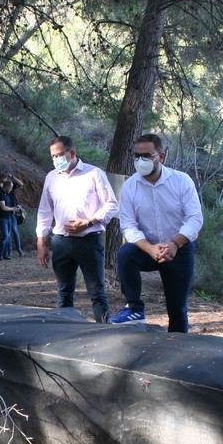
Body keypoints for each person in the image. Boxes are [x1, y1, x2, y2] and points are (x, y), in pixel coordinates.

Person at [111, 134, 204, 331]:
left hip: (179, 249)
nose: (140, 161)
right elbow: (128, 225)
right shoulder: (130, 186)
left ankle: (178, 349)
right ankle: (134, 308)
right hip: (147, 248)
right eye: (136, 156)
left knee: (177, 309)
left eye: (146, 156)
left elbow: (195, 218)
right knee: (125, 253)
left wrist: (175, 244)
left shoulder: (181, 181)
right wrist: (150, 248)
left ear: (160, 157)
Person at [36, 135, 119, 323]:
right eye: (52, 157)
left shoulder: (94, 174)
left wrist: (89, 222)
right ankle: (65, 334)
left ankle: (105, 333)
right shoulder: (51, 177)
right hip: (60, 242)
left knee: (96, 291)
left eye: (59, 155)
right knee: (64, 291)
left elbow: (112, 205)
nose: (56, 160)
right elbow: (45, 211)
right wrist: (41, 241)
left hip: (89, 240)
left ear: (72, 153)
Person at [0, 174, 25, 257]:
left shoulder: (9, 187)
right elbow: (3, 207)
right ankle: (7, 253)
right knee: (7, 235)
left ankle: (17, 250)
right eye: (5, 178)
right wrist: (13, 208)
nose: (11, 189)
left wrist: (13, 177)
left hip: (11, 214)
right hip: (4, 215)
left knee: (14, 232)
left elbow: (21, 184)